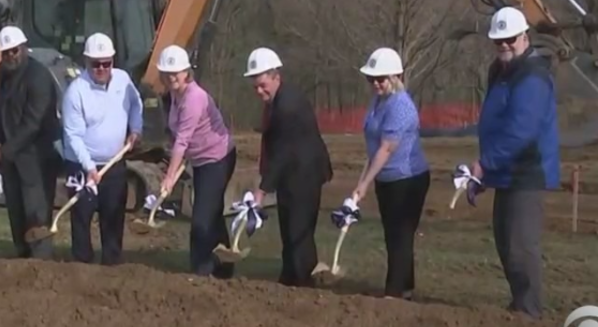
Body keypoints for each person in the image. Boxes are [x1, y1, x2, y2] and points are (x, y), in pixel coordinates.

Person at [471, 6, 560, 319]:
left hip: (527, 171)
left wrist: (484, 165)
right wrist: (485, 172)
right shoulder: (501, 71)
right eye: (499, 41)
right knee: (505, 243)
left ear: (524, 36)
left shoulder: (533, 77)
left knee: (521, 246)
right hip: (506, 172)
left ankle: (530, 311)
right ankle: (519, 305)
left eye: (510, 39)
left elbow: (520, 131)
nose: (504, 46)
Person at [245, 47, 333, 288]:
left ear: (276, 76)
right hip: (291, 174)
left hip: (305, 173)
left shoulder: (288, 105)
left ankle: (302, 281)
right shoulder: (277, 100)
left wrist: (262, 190)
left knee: (298, 229)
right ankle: (290, 276)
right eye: (255, 87)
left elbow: (283, 153)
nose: (259, 91)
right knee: (289, 226)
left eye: (263, 84)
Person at [354, 47, 430, 300]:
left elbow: (386, 148)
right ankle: (405, 287)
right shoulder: (378, 101)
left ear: (396, 76)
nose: (375, 83)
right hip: (386, 178)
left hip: (407, 179)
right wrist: (363, 180)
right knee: (393, 234)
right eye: (371, 79)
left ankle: (394, 293)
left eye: (381, 78)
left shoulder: (401, 106)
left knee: (401, 235)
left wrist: (365, 183)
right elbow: (373, 148)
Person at [60, 32, 143, 265]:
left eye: (106, 63)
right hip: (81, 164)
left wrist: (135, 130)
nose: (101, 68)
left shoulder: (123, 80)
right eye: (96, 64)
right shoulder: (76, 92)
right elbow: (74, 136)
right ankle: (82, 265)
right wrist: (88, 167)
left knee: (113, 215)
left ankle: (111, 265)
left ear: (113, 61)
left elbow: (136, 105)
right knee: (82, 216)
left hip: (114, 162)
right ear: (87, 62)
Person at [156, 45, 237, 279]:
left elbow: (182, 141)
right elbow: (176, 136)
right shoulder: (173, 95)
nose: (172, 77)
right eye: (167, 73)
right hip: (200, 160)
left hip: (218, 157)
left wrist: (170, 177)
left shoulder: (194, 98)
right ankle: (225, 267)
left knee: (201, 218)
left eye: (176, 72)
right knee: (212, 212)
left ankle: (201, 272)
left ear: (186, 72)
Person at [0, 25, 62, 260]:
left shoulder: (38, 76)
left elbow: (34, 122)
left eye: (15, 50)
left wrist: (6, 150)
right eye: (6, 52)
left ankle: (40, 262)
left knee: (37, 213)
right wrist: (0, 145)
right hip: (12, 157)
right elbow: (0, 112)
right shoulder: (2, 73)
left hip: (36, 157)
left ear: (24, 48)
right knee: (17, 212)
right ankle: (22, 259)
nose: (11, 56)